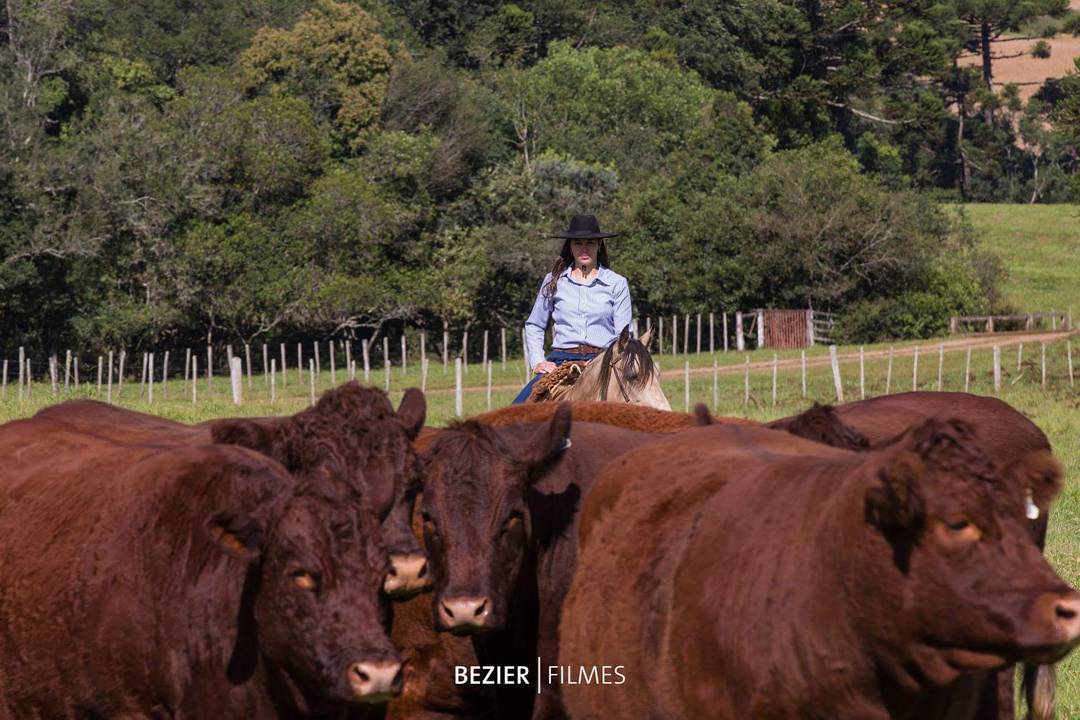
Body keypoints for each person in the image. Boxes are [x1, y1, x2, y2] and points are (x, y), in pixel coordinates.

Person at [512, 215, 633, 404]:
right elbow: (535, 324)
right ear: (570, 246)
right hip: (562, 362)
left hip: (603, 362)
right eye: (578, 243)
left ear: (599, 245)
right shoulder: (553, 281)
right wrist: (538, 361)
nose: (584, 249)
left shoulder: (617, 283)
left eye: (590, 243)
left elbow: (624, 335)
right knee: (517, 410)